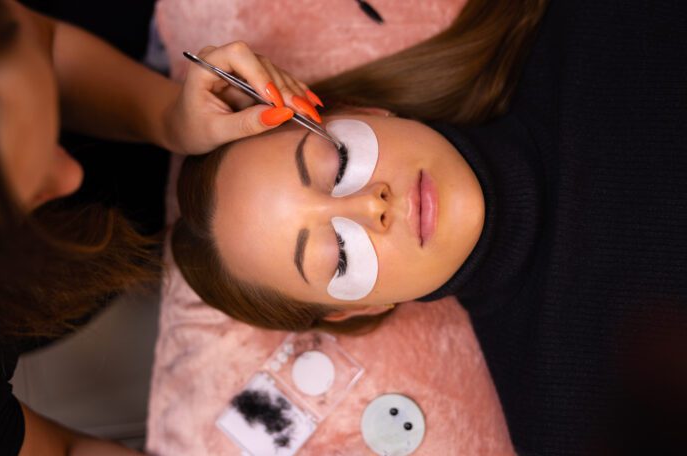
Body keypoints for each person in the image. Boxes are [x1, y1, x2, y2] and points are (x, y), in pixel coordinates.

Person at [171, 0, 687, 453]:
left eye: (340, 163)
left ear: (365, 113)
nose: (372, 207)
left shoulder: (596, 20)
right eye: (341, 255)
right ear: (362, 308)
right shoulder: (572, 418)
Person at [0, 0, 322, 454]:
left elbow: (44, 43)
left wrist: (169, 117)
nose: (72, 176)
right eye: (26, 192)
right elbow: (64, 451)